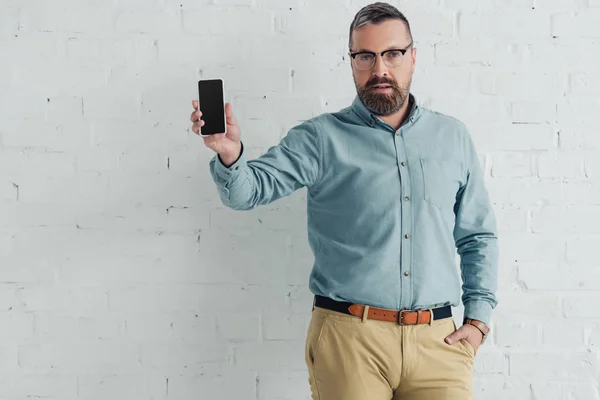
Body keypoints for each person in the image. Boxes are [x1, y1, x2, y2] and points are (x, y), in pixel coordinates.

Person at [190, 2, 498, 399]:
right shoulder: (321, 138)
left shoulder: (452, 137)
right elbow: (249, 191)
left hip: (440, 343)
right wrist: (230, 154)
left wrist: (479, 320)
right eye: (365, 56)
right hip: (350, 340)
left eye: (392, 54)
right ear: (351, 62)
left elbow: (477, 236)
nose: (380, 69)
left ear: (413, 57)